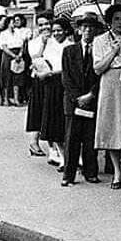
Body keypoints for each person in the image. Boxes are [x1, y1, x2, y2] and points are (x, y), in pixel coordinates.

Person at [93, 3, 121, 189]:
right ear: (109, 21)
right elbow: (98, 68)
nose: (120, 22)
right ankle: (117, 172)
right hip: (110, 84)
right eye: (116, 18)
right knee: (112, 126)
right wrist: (113, 51)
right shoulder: (100, 40)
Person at [61, 15, 101, 187]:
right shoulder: (69, 51)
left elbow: (101, 77)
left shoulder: (99, 51)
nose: (87, 31)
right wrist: (78, 98)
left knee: (90, 138)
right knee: (72, 139)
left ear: (96, 31)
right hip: (74, 102)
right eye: (84, 27)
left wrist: (91, 95)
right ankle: (68, 175)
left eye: (91, 27)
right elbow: (66, 78)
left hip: (92, 100)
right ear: (78, 30)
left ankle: (90, 172)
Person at [39, 17, 72, 167]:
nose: (56, 33)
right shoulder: (49, 45)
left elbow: (68, 68)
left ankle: (71, 157)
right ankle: (61, 156)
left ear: (66, 30)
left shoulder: (70, 45)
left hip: (64, 84)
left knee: (64, 121)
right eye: (54, 31)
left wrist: (53, 72)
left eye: (59, 30)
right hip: (50, 85)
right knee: (53, 123)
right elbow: (42, 61)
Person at [25, 13, 54, 156]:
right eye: (41, 24)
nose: (45, 27)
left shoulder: (57, 38)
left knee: (51, 111)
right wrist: (43, 42)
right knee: (37, 109)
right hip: (39, 78)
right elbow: (35, 58)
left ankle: (53, 146)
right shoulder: (34, 41)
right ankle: (34, 142)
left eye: (47, 23)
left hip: (53, 77)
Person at [0, 16, 29, 106]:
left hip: (18, 54)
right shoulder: (3, 33)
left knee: (17, 76)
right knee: (7, 76)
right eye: (13, 22)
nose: (14, 24)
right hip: (8, 55)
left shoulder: (18, 32)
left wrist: (20, 54)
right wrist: (13, 55)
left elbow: (22, 44)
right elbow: (4, 47)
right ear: (8, 23)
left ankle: (16, 99)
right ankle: (6, 98)